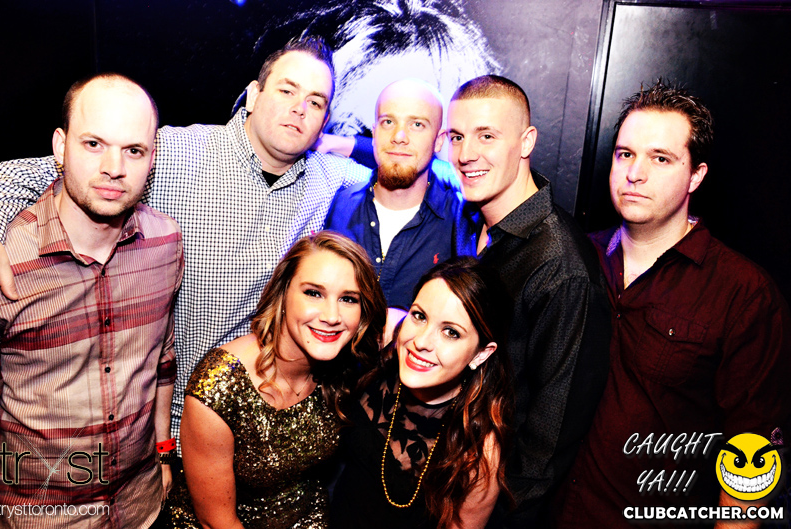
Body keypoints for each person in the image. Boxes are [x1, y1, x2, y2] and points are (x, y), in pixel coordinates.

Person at [0, 36, 371, 444]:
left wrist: (346, 143)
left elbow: (396, 167)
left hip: (245, 424)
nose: (300, 108)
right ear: (254, 94)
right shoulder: (175, 151)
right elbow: (32, 173)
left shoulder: (327, 178)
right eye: (287, 90)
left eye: (316, 102)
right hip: (156, 422)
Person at [553, 81, 791, 528]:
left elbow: (752, 452)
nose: (635, 173)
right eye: (625, 154)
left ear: (696, 176)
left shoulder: (743, 293)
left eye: (660, 158)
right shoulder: (577, 259)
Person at [0, 74, 182, 528]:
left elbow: (161, 361)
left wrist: (163, 453)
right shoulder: (6, 260)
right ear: (60, 147)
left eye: (133, 150)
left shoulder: (165, 243)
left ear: (152, 158)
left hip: (141, 507)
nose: (114, 167)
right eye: (94, 144)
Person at [447, 75, 611, 526]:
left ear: (526, 141)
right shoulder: (469, 218)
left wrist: (496, 514)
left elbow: (549, 436)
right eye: (457, 136)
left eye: (486, 136)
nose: (466, 153)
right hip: (450, 475)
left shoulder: (562, 267)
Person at [166, 231, 386, 529]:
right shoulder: (220, 386)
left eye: (348, 299)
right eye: (314, 293)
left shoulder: (344, 367)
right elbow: (217, 522)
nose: (332, 316)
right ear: (283, 293)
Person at [331, 256, 515, 529]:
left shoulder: (478, 450)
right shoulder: (383, 351)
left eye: (451, 332)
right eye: (419, 316)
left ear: (481, 354)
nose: (421, 342)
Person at [324, 79, 461, 340]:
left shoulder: (460, 221)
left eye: (417, 125)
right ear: (375, 133)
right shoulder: (337, 204)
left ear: (439, 140)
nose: (399, 136)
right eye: (388, 122)